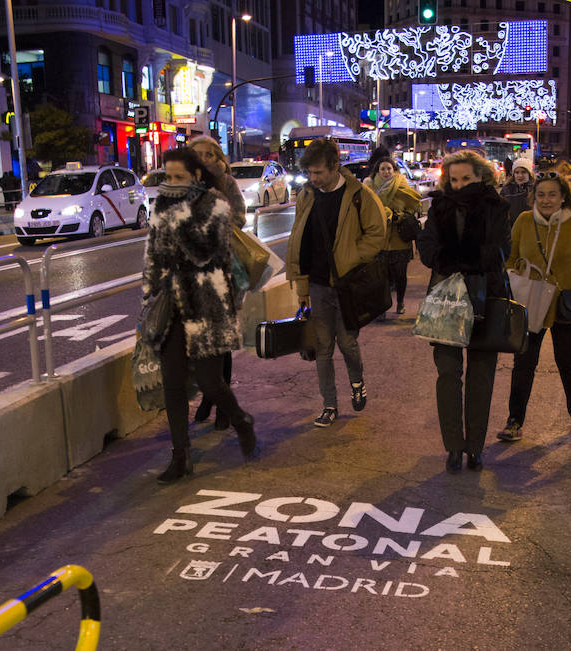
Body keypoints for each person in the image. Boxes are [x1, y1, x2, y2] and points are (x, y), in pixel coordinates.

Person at [142, 147, 258, 483]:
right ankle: (181, 456)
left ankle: (240, 420)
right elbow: (154, 255)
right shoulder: (160, 205)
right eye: (168, 177)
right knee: (173, 384)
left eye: (179, 177)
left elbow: (204, 253)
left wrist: (178, 217)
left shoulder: (215, 205)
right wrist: (148, 300)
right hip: (172, 305)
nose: (172, 184)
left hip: (207, 303)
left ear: (195, 175)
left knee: (210, 381)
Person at [499, 172, 571, 443]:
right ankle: (514, 421)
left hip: (567, 302)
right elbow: (510, 257)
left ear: (563, 197)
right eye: (541, 194)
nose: (546, 200)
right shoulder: (524, 221)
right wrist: (516, 278)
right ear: (533, 197)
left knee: (568, 361)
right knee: (524, 363)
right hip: (532, 303)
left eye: (552, 194)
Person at [417, 151, 512, 473]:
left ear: (481, 177)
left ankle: (475, 448)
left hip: (486, 298)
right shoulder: (439, 207)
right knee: (447, 375)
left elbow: (499, 253)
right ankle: (453, 448)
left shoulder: (496, 207)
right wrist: (461, 257)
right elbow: (427, 251)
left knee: (481, 378)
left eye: (466, 179)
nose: (458, 186)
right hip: (445, 302)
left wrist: (455, 257)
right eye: (453, 180)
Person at [285, 138, 387, 427]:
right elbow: (299, 243)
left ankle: (357, 382)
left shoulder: (359, 195)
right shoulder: (307, 195)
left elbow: (377, 235)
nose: (313, 178)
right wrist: (302, 290)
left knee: (347, 343)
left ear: (334, 167)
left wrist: (350, 258)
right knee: (322, 347)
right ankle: (329, 404)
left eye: (318, 172)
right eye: (310, 173)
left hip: (346, 285)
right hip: (317, 284)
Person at [187, 135, 247, 431]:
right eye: (196, 154)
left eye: (208, 154)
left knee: (221, 342)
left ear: (217, 156)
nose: (202, 159)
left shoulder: (227, 183)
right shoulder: (185, 183)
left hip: (223, 271)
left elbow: (241, 218)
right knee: (200, 342)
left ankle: (222, 405)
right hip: (192, 275)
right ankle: (211, 397)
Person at [363, 156, 421, 315]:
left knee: (400, 275)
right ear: (378, 171)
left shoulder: (402, 185)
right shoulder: (369, 188)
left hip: (399, 237)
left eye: (389, 168)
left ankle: (400, 302)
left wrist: (398, 216)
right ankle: (383, 305)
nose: (386, 172)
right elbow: (365, 211)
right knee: (382, 277)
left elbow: (413, 207)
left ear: (394, 170)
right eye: (383, 169)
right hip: (379, 239)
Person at [499, 157, 535, 227]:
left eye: (523, 172)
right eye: (517, 172)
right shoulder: (507, 190)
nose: (520, 175)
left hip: (531, 227)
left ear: (529, 173)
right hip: (512, 227)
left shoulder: (535, 188)